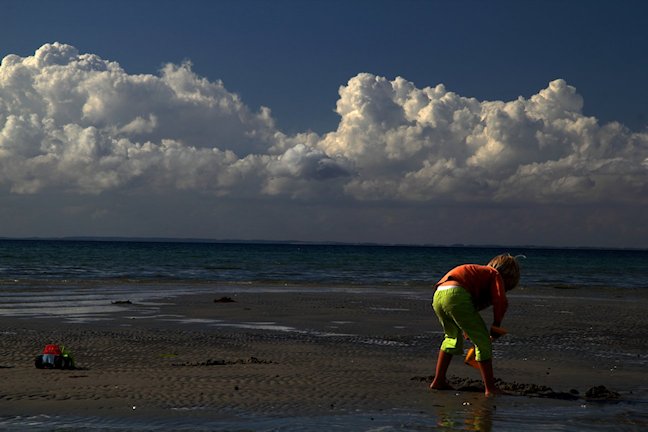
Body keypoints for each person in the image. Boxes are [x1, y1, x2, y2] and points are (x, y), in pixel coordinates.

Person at [429, 254, 521, 397]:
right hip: (456, 294)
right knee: (483, 341)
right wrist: (496, 325)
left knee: (451, 338)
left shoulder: (478, 275)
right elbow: (500, 302)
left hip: (439, 295)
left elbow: (469, 306)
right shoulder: (494, 274)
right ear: (506, 277)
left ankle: (438, 380)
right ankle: (490, 388)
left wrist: (467, 329)